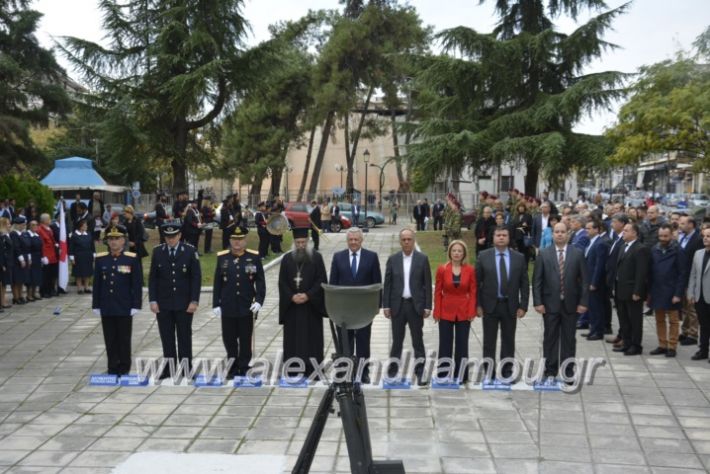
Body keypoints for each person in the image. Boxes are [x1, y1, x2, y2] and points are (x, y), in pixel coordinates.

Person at [533, 222, 589, 380]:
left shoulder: (577, 254)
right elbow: (537, 280)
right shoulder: (544, 254)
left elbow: (585, 281)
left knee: (569, 339)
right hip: (550, 305)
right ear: (552, 234)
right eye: (556, 231)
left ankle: (568, 371)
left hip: (571, 305)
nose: (559, 234)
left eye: (562, 231)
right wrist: (538, 302)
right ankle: (550, 370)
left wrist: (584, 302)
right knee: (550, 338)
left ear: (568, 234)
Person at [329, 227, 382, 384]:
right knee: (345, 342)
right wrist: (332, 306)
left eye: (356, 239)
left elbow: (377, 283)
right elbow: (333, 284)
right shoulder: (338, 257)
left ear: (361, 240)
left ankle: (363, 372)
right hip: (343, 310)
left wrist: (378, 304)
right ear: (347, 241)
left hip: (364, 309)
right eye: (350, 240)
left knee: (363, 342)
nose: (353, 242)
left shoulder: (371, 257)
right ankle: (346, 372)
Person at [475, 225, 529, 379]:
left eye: (504, 235)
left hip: (510, 306)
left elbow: (524, 284)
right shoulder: (483, 256)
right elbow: (476, 283)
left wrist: (523, 305)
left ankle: (507, 372)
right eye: (498, 235)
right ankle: (489, 373)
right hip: (489, 306)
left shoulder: (519, 258)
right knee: (488, 341)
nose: (501, 237)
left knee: (508, 341)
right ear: (493, 237)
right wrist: (477, 305)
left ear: (508, 237)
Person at [148, 223, 202, 378]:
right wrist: (153, 300)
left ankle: (186, 368)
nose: (171, 240)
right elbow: (153, 279)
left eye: (173, 237)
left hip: (184, 303)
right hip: (163, 303)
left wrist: (194, 300)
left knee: (184, 336)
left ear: (179, 236)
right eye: (168, 237)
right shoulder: (158, 252)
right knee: (167, 336)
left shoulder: (190, 251)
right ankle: (169, 368)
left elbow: (196, 278)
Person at [212, 227, 265, 379]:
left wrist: (259, 301)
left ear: (245, 241)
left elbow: (260, 282)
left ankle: (244, 365)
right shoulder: (222, 257)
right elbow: (217, 283)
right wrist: (216, 303)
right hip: (227, 305)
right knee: (229, 338)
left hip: (246, 305)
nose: (237, 242)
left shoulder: (253, 257)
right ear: (230, 241)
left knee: (245, 337)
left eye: (240, 239)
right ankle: (232, 365)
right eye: (234, 239)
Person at [383, 229, 432, 385]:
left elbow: (427, 284)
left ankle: (420, 373)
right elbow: (388, 284)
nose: (406, 242)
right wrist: (386, 306)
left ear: (413, 240)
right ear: (400, 241)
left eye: (409, 239)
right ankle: (393, 371)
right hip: (397, 306)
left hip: (415, 306)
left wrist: (428, 306)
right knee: (397, 341)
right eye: (403, 239)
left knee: (417, 341)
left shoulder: (422, 259)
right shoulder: (393, 259)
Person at [92, 224, 143, 375]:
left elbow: (137, 284)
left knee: (124, 338)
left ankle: (124, 366)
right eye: (111, 239)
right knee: (110, 338)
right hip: (107, 305)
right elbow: (97, 284)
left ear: (123, 241)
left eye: (117, 239)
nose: (113, 242)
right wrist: (96, 304)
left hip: (124, 305)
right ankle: (112, 366)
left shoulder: (131, 259)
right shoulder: (101, 260)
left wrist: (136, 304)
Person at [278, 227, 328, 378]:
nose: (301, 245)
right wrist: (291, 296)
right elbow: (282, 282)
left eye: (303, 242)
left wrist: (308, 295)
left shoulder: (317, 258)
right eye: (298, 242)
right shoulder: (287, 259)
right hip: (292, 307)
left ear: (308, 242)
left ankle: (313, 370)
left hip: (311, 307)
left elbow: (322, 280)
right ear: (294, 242)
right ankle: (293, 368)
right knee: (292, 339)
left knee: (313, 339)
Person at [433, 240, 476, 383]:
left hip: (464, 312)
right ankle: (443, 374)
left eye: (460, 251)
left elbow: (473, 292)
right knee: (445, 344)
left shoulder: (470, 270)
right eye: (454, 251)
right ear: (450, 253)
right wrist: (437, 312)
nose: (457, 253)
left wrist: (471, 312)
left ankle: (461, 375)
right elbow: (438, 292)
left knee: (462, 345)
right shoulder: (442, 269)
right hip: (446, 311)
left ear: (464, 254)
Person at [648, 224, 686, 358]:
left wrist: (678, 293)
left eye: (666, 236)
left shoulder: (678, 250)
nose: (663, 238)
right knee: (659, 320)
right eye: (660, 236)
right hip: (657, 290)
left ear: (671, 235)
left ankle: (672, 346)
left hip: (672, 291)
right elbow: (650, 271)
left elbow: (682, 274)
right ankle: (662, 344)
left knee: (674, 321)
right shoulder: (654, 249)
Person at [613, 222, 651, 355]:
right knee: (623, 318)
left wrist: (637, 291)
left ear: (634, 233)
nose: (623, 232)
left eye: (626, 230)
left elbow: (641, 273)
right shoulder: (623, 246)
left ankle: (636, 345)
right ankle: (627, 342)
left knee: (634, 319)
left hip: (632, 291)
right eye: (623, 230)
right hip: (620, 289)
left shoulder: (640, 249)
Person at [581, 219, 609, 341]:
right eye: (586, 228)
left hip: (595, 282)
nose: (587, 230)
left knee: (597, 307)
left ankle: (598, 331)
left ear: (597, 229)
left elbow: (599, 265)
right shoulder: (590, 242)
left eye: (589, 228)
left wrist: (594, 282)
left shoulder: (600, 243)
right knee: (591, 307)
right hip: (588, 279)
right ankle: (592, 330)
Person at [679, 215, 703, 347]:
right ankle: (685, 331)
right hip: (682, 277)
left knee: (692, 308)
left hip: (692, 277)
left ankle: (693, 334)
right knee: (684, 308)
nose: (680, 225)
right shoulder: (682, 237)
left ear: (691, 225)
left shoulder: (697, 239)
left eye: (683, 223)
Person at [687, 226, 710, 362]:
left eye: (708, 236)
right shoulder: (698, 253)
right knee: (703, 324)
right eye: (704, 236)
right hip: (699, 296)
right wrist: (691, 292)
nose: (705, 238)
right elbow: (693, 275)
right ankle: (703, 350)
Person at [605, 214, 628, 344]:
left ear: (622, 224)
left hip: (620, 280)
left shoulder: (623, 240)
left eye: (615, 221)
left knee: (624, 311)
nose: (612, 224)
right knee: (619, 311)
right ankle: (621, 334)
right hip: (613, 279)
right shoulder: (616, 238)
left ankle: (625, 336)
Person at [69, 218, 95, 294]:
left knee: (87, 272)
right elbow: (71, 248)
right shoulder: (74, 236)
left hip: (88, 255)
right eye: (85, 225)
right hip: (78, 256)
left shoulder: (89, 234)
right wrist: (72, 258)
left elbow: (92, 246)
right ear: (80, 226)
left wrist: (94, 255)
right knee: (79, 273)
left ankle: (86, 287)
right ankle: (79, 288)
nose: (86, 226)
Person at [10, 216, 30, 304]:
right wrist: (21, 259)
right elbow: (16, 248)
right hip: (17, 259)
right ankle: (16, 297)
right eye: (22, 225)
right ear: (17, 225)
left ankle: (20, 295)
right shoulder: (14, 234)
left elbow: (27, 246)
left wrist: (28, 258)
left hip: (24, 257)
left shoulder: (22, 233)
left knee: (21, 279)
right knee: (16, 280)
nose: (24, 226)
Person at [38, 214, 58, 298]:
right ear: (45, 220)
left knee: (52, 274)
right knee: (45, 275)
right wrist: (43, 256)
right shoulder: (40, 230)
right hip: (46, 255)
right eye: (49, 219)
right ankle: (44, 291)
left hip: (52, 254)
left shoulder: (49, 229)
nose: (50, 220)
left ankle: (51, 289)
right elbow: (41, 244)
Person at [26, 220, 42, 302]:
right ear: (29, 226)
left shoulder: (37, 235)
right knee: (31, 277)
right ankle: (28, 295)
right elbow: (27, 247)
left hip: (38, 257)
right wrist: (29, 259)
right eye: (33, 225)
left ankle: (34, 293)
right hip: (31, 257)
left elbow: (41, 246)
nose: (35, 226)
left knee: (36, 277)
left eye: (36, 225)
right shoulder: (27, 235)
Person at [0, 217, 12, 310]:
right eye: (7, 224)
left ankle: (2, 302)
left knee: (4, 284)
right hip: (2, 263)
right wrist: (2, 264)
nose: (9, 225)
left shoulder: (6, 235)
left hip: (6, 262)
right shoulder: (1, 236)